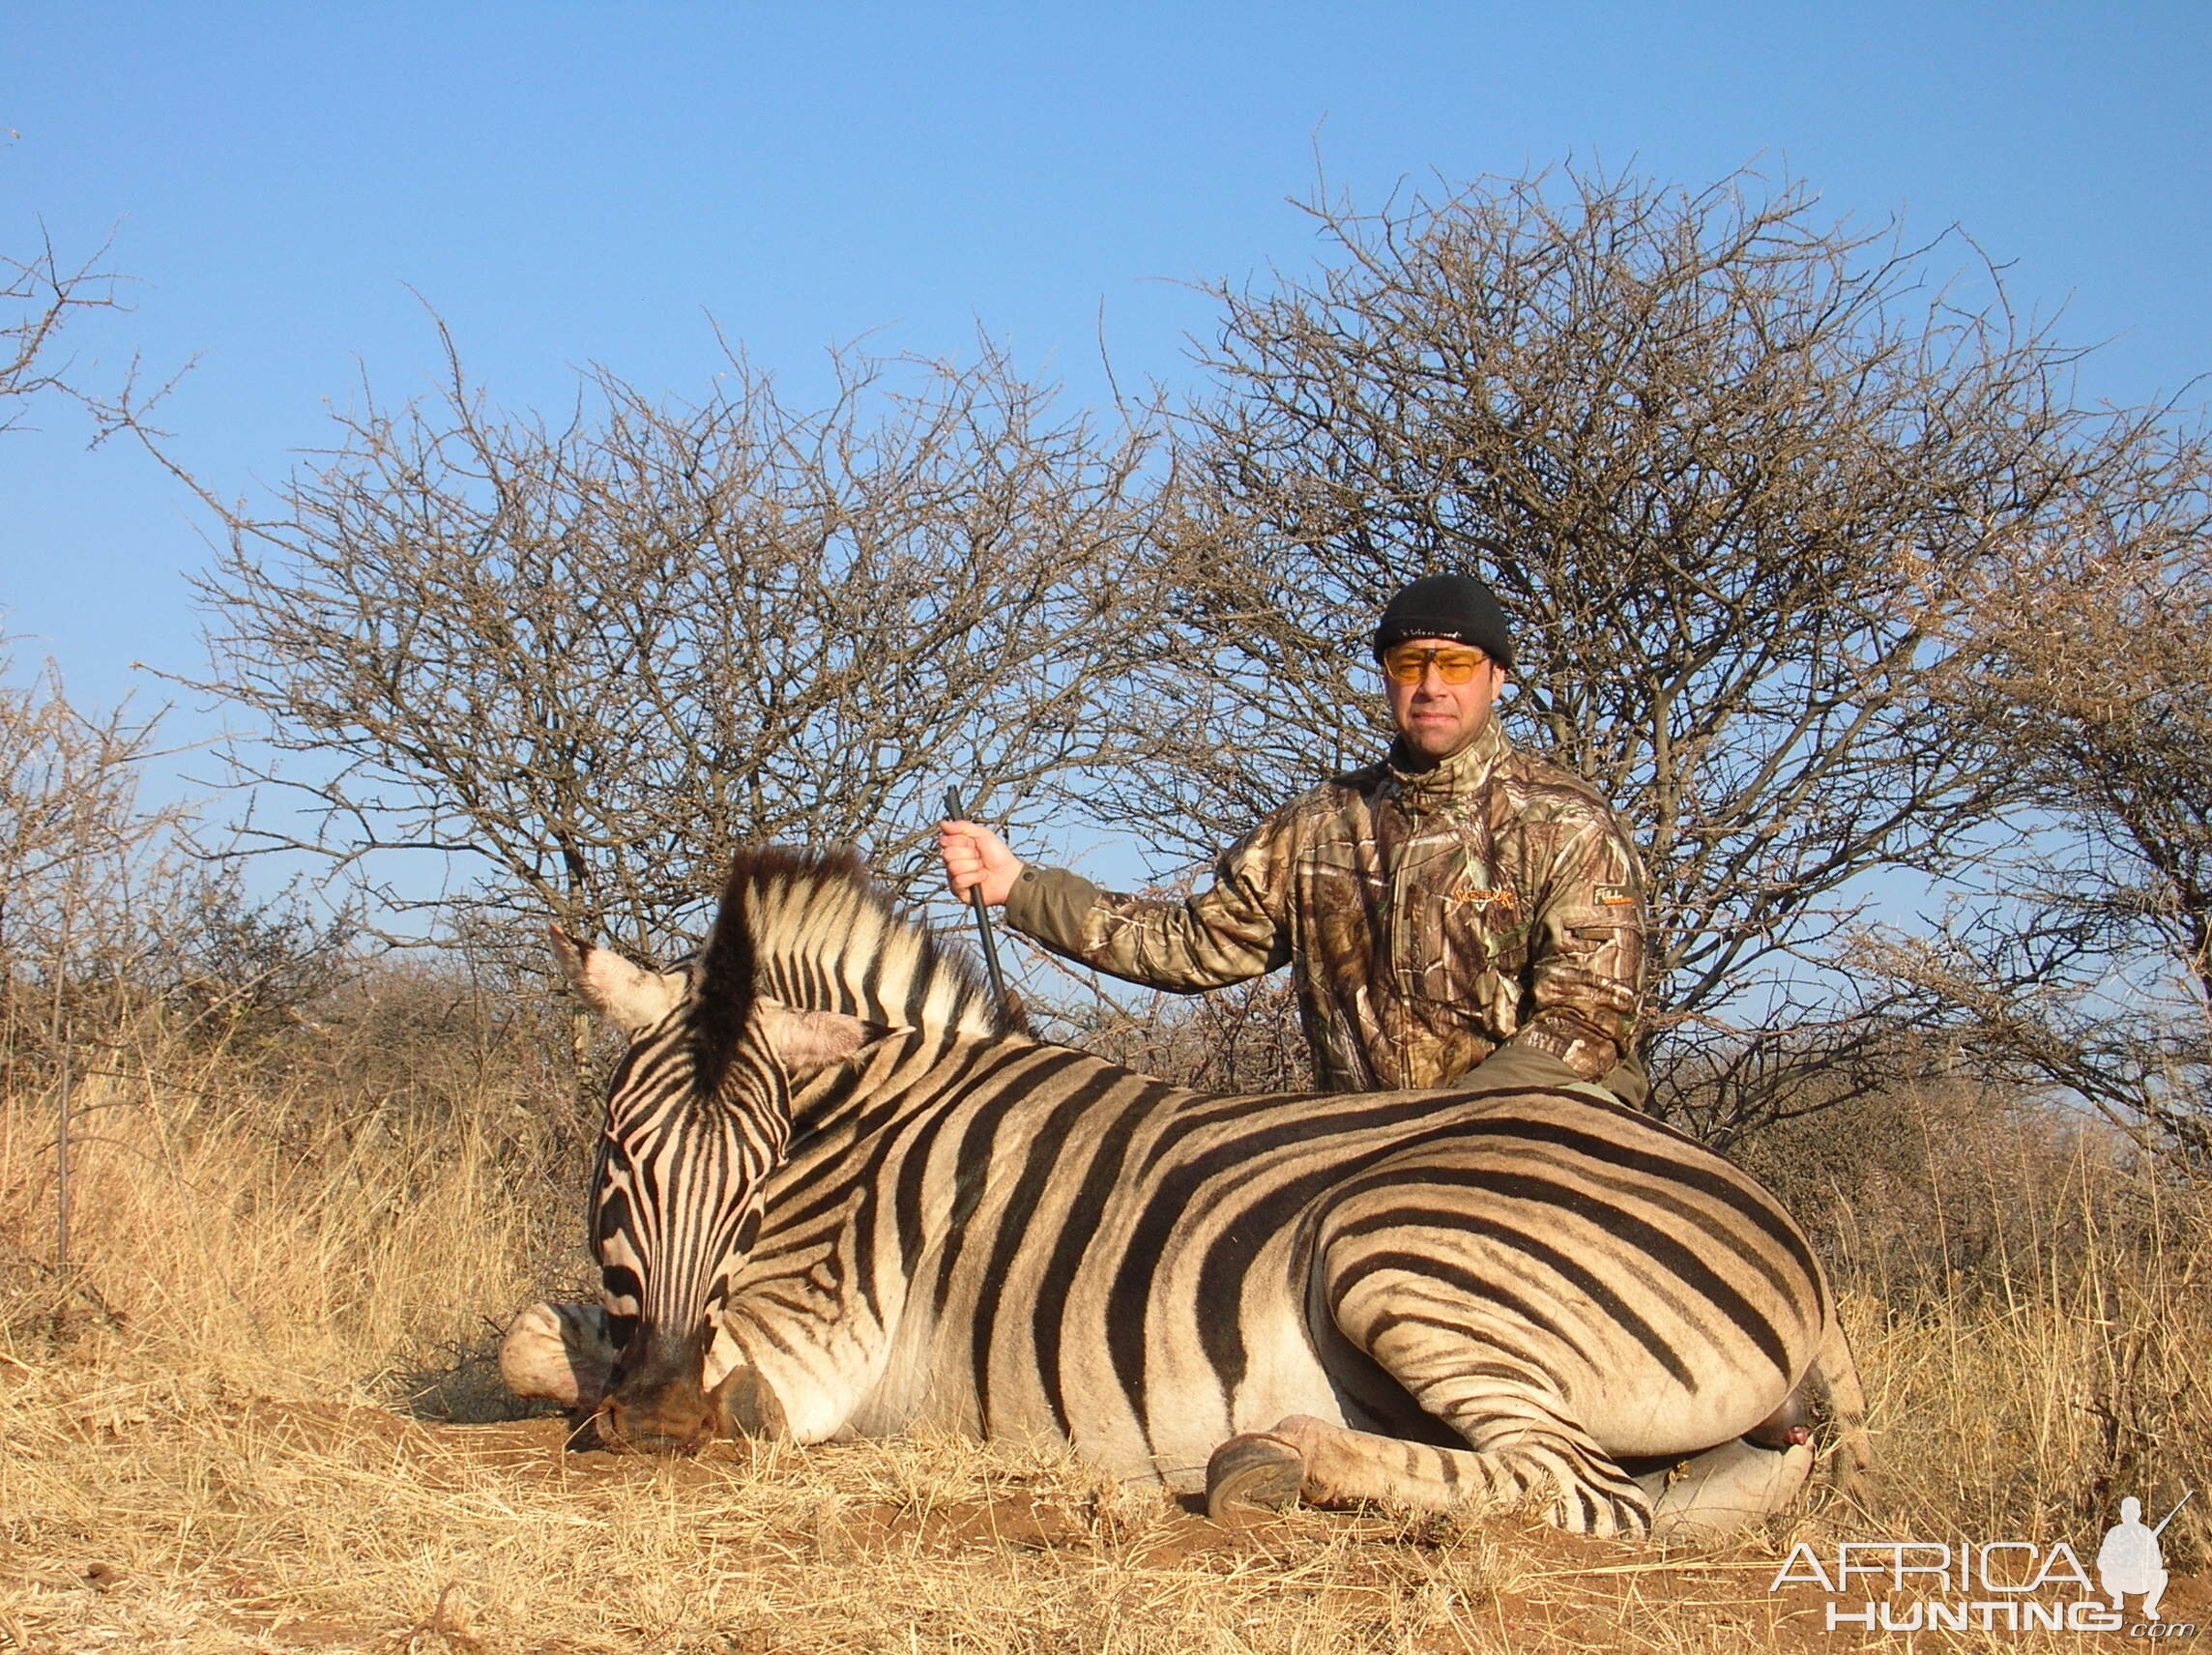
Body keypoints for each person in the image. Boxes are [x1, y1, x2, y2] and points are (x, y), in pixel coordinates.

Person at [938, 573, 1649, 1104]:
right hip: (1366, 1158)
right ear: (1388, 680)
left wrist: (1446, 1124)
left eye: (1455, 664)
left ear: (1497, 678)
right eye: (1410, 664)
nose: (1431, 684)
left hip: (1531, 1142)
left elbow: (1586, 1021)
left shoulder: (1565, 822)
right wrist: (1019, 887)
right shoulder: (1319, 825)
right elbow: (1194, 942)